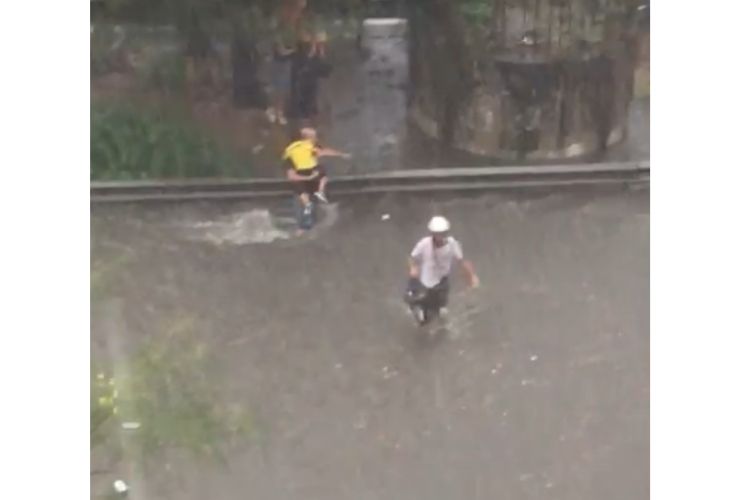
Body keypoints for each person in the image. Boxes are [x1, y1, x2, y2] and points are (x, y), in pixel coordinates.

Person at [406, 216, 480, 324]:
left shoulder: (452, 244)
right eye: (436, 233)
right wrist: (413, 268)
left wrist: (472, 276)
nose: (439, 236)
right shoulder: (424, 243)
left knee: (440, 313)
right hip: (424, 283)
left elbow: (462, 261)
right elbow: (412, 258)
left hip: (441, 283)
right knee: (421, 314)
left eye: (442, 233)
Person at [282, 127, 350, 214]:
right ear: (308, 138)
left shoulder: (291, 148)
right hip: (307, 176)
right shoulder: (309, 146)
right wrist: (341, 154)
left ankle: (310, 203)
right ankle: (319, 192)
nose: (316, 139)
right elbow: (324, 152)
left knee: (302, 190)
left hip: (302, 177)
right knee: (321, 173)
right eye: (314, 137)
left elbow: (286, 157)